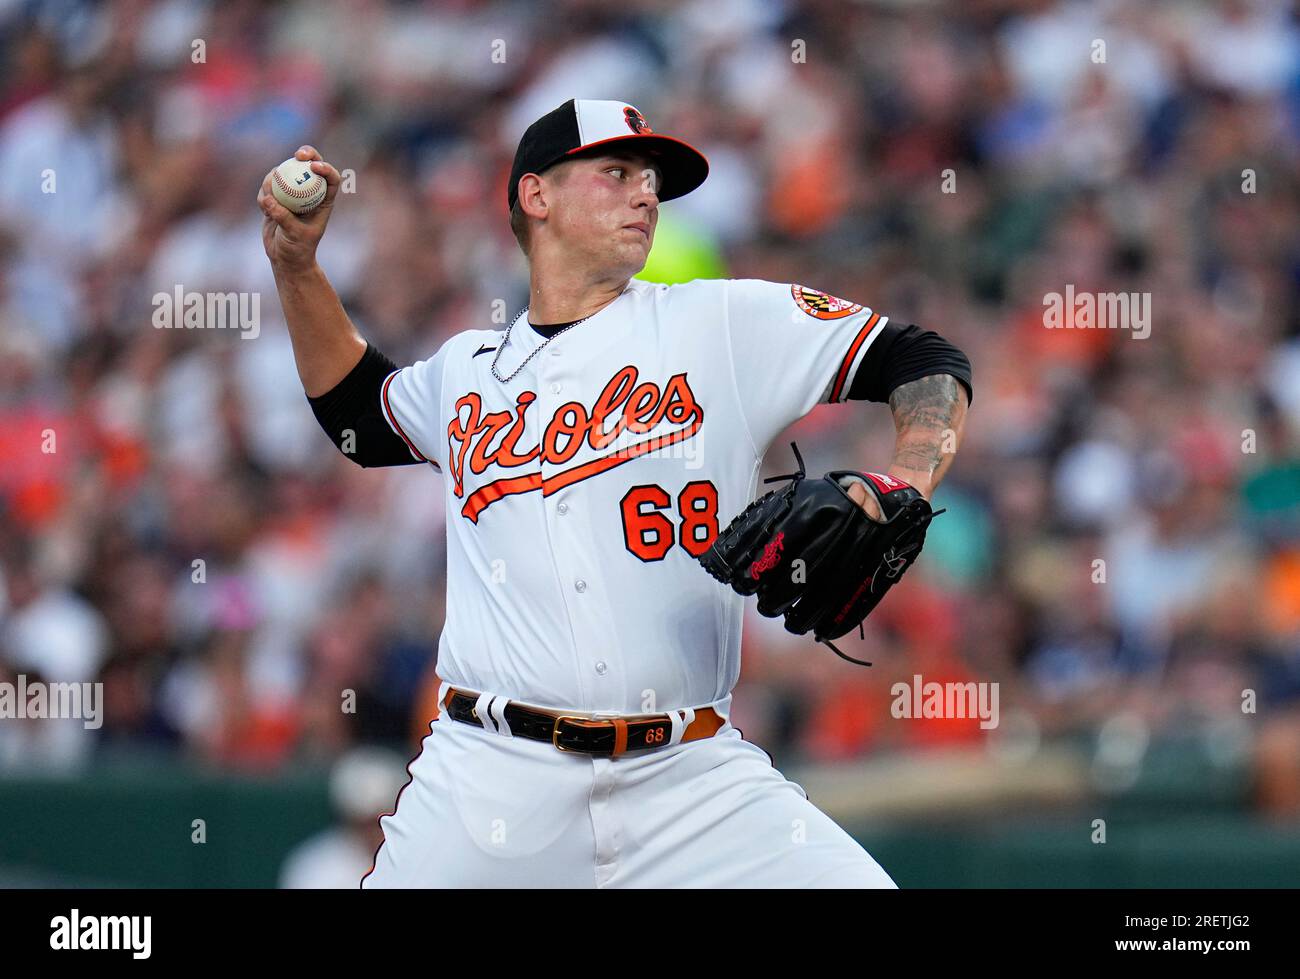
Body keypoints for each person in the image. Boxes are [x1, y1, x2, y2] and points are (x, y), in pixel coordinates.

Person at [258, 99, 972, 888]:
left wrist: (901, 483)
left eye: (652, 181)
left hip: (692, 779)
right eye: (617, 172)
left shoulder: (718, 321)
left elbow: (921, 357)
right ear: (537, 196)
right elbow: (358, 417)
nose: (646, 195)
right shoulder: (464, 371)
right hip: (494, 777)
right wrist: (298, 268)